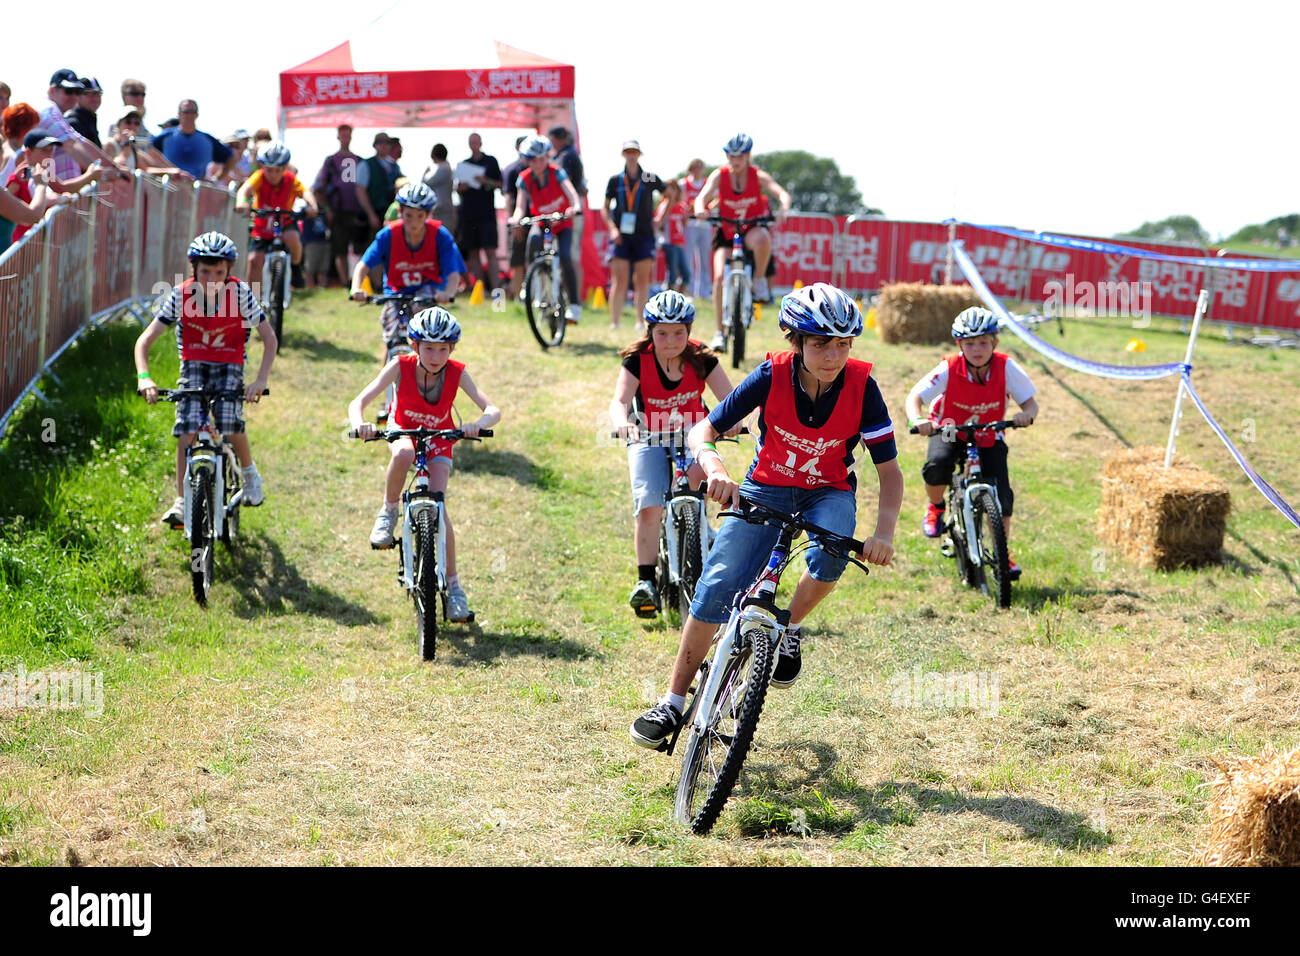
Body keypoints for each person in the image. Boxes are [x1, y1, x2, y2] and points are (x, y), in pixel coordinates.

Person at [629, 283, 902, 749]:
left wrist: (884, 533)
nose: (832, 355)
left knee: (833, 551)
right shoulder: (771, 374)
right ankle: (673, 701)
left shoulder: (863, 387)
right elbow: (705, 429)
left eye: (842, 344)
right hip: (766, 488)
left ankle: (788, 627)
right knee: (718, 583)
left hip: (827, 492)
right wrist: (715, 468)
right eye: (820, 343)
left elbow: (890, 473)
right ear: (793, 340)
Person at [347, 307, 501, 622]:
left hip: (440, 438)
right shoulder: (399, 366)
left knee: (440, 510)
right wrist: (360, 422)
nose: (435, 355)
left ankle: (455, 588)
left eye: (443, 348)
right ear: (415, 345)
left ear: (452, 349)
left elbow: (492, 408)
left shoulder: (457, 372)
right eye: (428, 347)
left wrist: (477, 422)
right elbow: (359, 401)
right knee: (402, 455)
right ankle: (389, 511)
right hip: (403, 431)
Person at [134, 232, 277, 526]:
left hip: (230, 361)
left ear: (229, 272)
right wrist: (145, 377)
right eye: (205, 272)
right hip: (194, 362)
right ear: (193, 269)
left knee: (228, 420)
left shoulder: (240, 294)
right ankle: (182, 500)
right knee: (185, 430)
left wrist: (260, 380)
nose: (212, 279)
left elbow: (269, 339)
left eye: (219, 273)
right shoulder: (181, 295)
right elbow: (144, 341)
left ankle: (249, 474)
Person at [610, 291, 738, 616]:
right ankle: (646, 581)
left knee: (700, 483)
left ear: (690, 331)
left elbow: (731, 400)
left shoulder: (702, 358)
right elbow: (620, 402)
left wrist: (734, 422)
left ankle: (702, 538)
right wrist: (622, 423)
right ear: (649, 331)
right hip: (647, 433)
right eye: (662, 332)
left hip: (694, 434)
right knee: (650, 503)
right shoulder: (637, 360)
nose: (671, 340)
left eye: (679, 332)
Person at [904, 306, 1039, 577]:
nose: (977, 349)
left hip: (989, 432)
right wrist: (917, 420)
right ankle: (936, 506)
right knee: (937, 465)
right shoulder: (949, 368)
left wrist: (1026, 415)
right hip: (950, 429)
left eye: (983, 342)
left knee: (1002, 496)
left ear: (995, 343)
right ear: (959, 345)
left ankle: (1003, 553)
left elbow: (1030, 403)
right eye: (969, 343)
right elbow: (915, 397)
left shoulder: (1006, 367)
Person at [692, 133, 792, 350]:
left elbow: (781, 193)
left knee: (763, 237)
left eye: (739, 156)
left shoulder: (758, 175)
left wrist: (783, 208)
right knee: (719, 277)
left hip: (751, 228)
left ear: (748, 156)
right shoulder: (720, 175)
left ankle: (759, 281)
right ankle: (719, 332)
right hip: (726, 231)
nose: (734, 160)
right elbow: (702, 196)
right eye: (730, 156)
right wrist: (700, 209)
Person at [350, 182, 465, 348]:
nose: (414, 222)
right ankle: (391, 362)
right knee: (392, 333)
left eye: (420, 216)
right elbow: (363, 265)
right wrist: (356, 288)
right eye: (409, 215)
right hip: (396, 291)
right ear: (400, 212)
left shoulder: (440, 235)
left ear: (429, 215)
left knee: (424, 325)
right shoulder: (388, 235)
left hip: (428, 289)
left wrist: (447, 293)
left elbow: (453, 273)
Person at [507, 134, 581, 322]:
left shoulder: (557, 172)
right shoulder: (524, 179)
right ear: (527, 160)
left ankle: (574, 305)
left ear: (548, 157)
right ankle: (530, 284)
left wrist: (575, 206)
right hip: (541, 221)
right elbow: (520, 206)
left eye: (542, 158)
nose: (538, 163)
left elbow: (571, 192)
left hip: (562, 221)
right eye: (534, 160)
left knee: (565, 256)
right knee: (533, 242)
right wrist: (515, 219)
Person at [234, 141, 318, 291]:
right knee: (254, 261)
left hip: (284, 222)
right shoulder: (258, 177)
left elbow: (305, 192)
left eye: (278, 170)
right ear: (262, 167)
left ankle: (296, 267)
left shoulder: (291, 180)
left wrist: (312, 206)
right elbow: (244, 190)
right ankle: (251, 300)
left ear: (285, 168)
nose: (273, 175)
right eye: (269, 170)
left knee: (293, 238)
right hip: (262, 226)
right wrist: (242, 203)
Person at [603, 140, 667, 330]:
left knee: (642, 279)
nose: (631, 155)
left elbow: (670, 194)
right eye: (628, 152)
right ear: (623, 154)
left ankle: (641, 321)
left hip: (644, 235)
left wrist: (661, 217)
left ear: (639, 154)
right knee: (619, 279)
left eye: (634, 152)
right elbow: (604, 209)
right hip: (621, 236)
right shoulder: (615, 180)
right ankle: (614, 322)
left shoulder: (649, 178)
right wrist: (612, 229)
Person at [311, 124, 366, 288]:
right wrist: (327, 209)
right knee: (340, 248)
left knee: (358, 248)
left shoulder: (359, 160)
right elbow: (318, 188)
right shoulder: (331, 161)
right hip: (338, 211)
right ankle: (345, 282)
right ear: (338, 137)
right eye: (343, 135)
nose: (345, 138)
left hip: (356, 211)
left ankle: (358, 281)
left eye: (348, 135)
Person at [456, 132, 502, 293]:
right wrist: (463, 187)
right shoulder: (464, 164)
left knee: (490, 251)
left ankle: (497, 290)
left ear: (481, 143)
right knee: (473, 252)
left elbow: (500, 185)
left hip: (487, 214)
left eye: (476, 142)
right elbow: (458, 189)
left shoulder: (491, 162)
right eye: (471, 142)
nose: (474, 144)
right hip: (469, 215)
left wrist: (486, 182)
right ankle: (480, 289)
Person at [152, 100, 236, 181]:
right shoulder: (165, 137)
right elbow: (148, 151)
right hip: (171, 188)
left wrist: (215, 180)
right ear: (179, 114)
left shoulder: (207, 140)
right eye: (186, 111)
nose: (189, 115)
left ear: (197, 114)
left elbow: (231, 158)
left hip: (197, 190)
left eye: (192, 112)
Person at [548, 125, 587, 296]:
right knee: (566, 256)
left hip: (570, 212)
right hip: (566, 211)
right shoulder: (567, 154)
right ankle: (569, 296)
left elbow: (566, 184)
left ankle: (574, 297)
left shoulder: (567, 155)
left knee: (570, 256)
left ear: (556, 138)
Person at [355, 132, 401, 236]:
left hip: (391, 213)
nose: (384, 146)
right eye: (380, 143)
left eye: (387, 143)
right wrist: (371, 214)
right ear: (375, 146)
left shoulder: (394, 166)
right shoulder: (366, 165)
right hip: (374, 213)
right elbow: (360, 191)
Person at [500, 135, 528, 300]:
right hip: (517, 222)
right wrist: (513, 222)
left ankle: (534, 297)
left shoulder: (540, 168)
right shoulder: (512, 169)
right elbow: (508, 198)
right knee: (517, 261)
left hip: (536, 220)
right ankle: (518, 298)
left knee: (535, 260)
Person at [681, 158, 712, 299]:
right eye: (695, 167)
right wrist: (687, 209)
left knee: (704, 259)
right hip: (690, 224)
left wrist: (710, 208)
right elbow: (679, 202)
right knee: (688, 259)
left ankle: (704, 291)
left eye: (700, 167)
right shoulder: (684, 184)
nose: (697, 170)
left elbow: (717, 197)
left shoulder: (707, 183)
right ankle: (690, 290)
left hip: (705, 225)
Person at [655, 179, 690, 294]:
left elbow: (682, 225)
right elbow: (660, 224)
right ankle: (669, 301)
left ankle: (680, 298)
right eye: (669, 188)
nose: (672, 191)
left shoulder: (681, 206)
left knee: (686, 274)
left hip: (679, 243)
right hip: (669, 243)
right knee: (672, 274)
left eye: (674, 188)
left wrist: (687, 216)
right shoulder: (663, 205)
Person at [421, 143, 455, 233]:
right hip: (443, 208)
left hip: (442, 209)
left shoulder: (444, 168)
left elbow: (427, 183)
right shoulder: (446, 167)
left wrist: (425, 173)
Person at [64, 77, 103, 148]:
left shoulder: (90, 120)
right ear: (77, 96)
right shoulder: (73, 123)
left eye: (97, 93)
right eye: (87, 93)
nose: (95, 98)